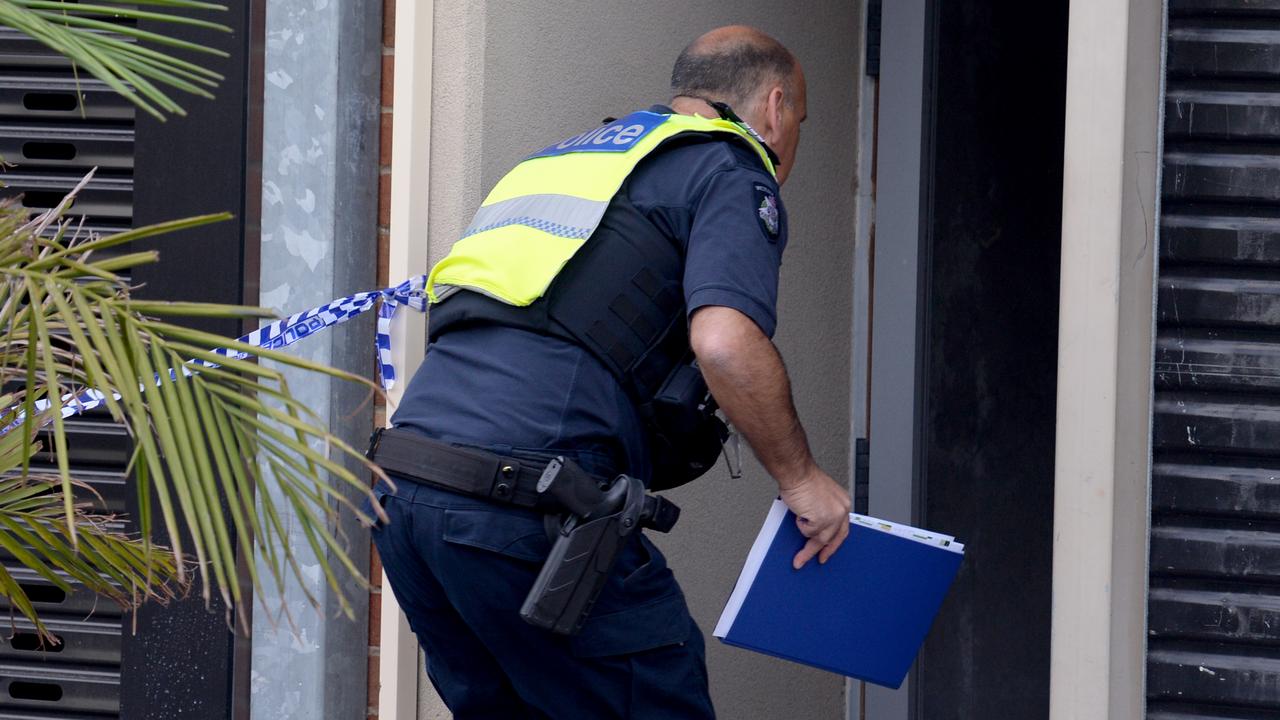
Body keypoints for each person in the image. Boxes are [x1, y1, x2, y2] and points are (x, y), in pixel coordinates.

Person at [367, 25, 851, 720]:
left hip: (409, 495)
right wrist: (802, 480)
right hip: (521, 506)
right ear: (774, 108)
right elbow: (722, 342)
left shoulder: (566, 164)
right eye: (798, 121)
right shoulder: (728, 167)